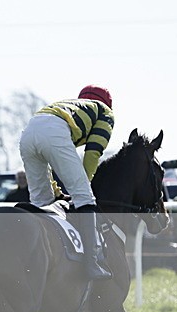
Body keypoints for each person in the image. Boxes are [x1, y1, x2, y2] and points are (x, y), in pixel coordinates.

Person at [19, 84, 115, 280]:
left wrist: (56, 190)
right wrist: (83, 186)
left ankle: (35, 259)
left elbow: (47, 157)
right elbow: (93, 153)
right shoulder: (105, 112)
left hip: (28, 130)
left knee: (42, 201)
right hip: (54, 130)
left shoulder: (70, 106)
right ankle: (91, 263)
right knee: (84, 197)